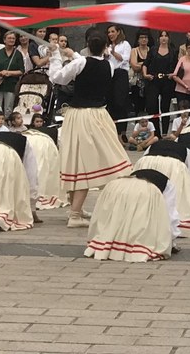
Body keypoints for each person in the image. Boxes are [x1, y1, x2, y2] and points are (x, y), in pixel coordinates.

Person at [48, 27, 132, 227]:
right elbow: (91, 63)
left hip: (79, 116)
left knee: (78, 161)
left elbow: (57, 77)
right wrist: (70, 54)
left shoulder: (80, 62)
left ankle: (75, 211)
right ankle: (75, 213)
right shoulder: (109, 66)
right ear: (105, 47)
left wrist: (55, 57)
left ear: (87, 45)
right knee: (87, 161)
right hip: (99, 116)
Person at [84, 168, 178, 262]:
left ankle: (111, 242)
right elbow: (170, 215)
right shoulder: (168, 185)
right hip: (144, 190)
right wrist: (170, 241)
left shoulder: (137, 170)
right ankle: (130, 245)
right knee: (140, 218)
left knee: (116, 214)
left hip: (116, 186)